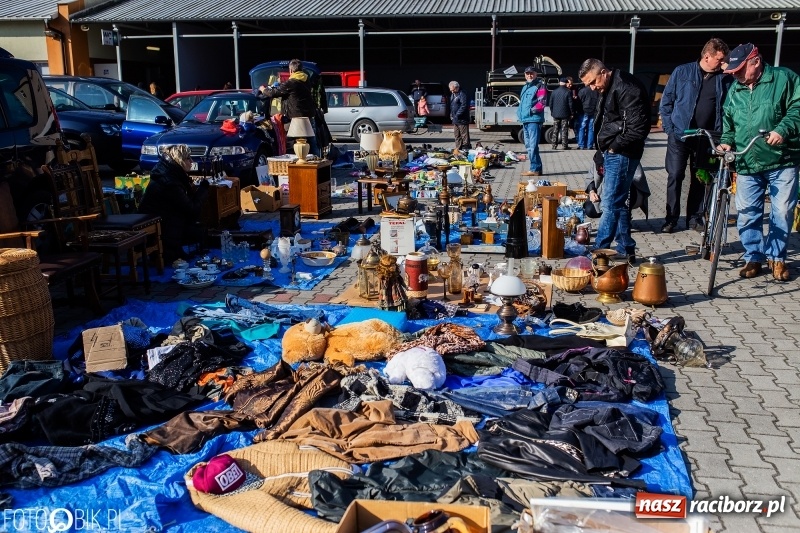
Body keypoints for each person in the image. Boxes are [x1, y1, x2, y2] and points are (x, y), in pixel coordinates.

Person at [718, 43, 800, 282]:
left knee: (782, 210)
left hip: (782, 159)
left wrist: (783, 129)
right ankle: (754, 256)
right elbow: (729, 122)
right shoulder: (736, 89)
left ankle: (777, 259)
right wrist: (726, 142)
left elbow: (798, 107)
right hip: (747, 160)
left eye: (740, 70)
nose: (735, 75)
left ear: (756, 61)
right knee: (746, 212)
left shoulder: (784, 78)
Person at [579, 58, 650, 263]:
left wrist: (613, 147)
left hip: (623, 153)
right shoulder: (608, 87)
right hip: (613, 151)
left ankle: (600, 251)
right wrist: (602, 151)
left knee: (610, 203)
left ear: (603, 72)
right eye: (588, 85)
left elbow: (637, 129)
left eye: (593, 82)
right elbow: (607, 121)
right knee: (618, 203)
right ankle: (627, 248)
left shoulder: (627, 88)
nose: (592, 88)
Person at [659, 38, 731, 234]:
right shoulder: (682, 72)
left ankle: (694, 218)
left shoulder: (725, 78)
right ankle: (671, 218)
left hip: (707, 137)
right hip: (680, 135)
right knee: (675, 175)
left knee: (700, 178)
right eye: (720, 59)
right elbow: (667, 101)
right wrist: (669, 127)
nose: (724, 63)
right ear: (707, 56)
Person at [138, 144, 209, 264]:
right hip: (161, 224)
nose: (191, 161)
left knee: (195, 227)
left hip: (160, 219)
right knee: (197, 229)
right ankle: (170, 252)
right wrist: (202, 191)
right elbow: (192, 210)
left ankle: (174, 250)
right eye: (188, 158)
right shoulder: (170, 181)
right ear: (180, 160)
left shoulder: (167, 171)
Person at [257, 58, 320, 156]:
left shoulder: (291, 83)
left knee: (293, 144)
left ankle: (296, 165)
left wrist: (263, 89)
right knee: (312, 142)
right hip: (308, 115)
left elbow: (273, 93)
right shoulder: (306, 80)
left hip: (295, 117)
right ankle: (317, 164)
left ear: (291, 70)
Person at [517, 66, 547, 176]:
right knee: (529, 146)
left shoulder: (539, 86)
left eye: (531, 73)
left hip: (533, 120)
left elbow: (542, 102)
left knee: (533, 146)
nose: (529, 75)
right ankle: (536, 169)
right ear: (525, 75)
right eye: (527, 73)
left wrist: (530, 111)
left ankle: (534, 168)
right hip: (525, 120)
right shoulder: (525, 87)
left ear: (536, 74)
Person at [549, 77, 573, 150]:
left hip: (555, 114)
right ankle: (564, 145)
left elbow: (550, 103)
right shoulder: (568, 92)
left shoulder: (554, 91)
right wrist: (572, 113)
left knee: (555, 130)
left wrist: (552, 112)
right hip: (565, 114)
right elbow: (570, 104)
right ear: (565, 83)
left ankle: (554, 145)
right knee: (564, 130)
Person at [449, 81, 470, 151]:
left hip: (462, 119)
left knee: (464, 135)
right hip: (455, 119)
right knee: (457, 135)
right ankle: (458, 148)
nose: (452, 92)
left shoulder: (462, 94)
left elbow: (463, 106)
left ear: (457, 87)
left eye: (453, 90)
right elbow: (452, 106)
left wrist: (457, 114)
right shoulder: (453, 95)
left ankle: (466, 148)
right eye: (451, 90)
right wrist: (452, 115)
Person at [577, 81, 598, 150]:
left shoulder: (582, 91)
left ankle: (581, 145)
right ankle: (590, 145)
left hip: (583, 111)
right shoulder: (596, 91)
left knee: (581, 128)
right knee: (591, 129)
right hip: (592, 111)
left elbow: (579, 102)